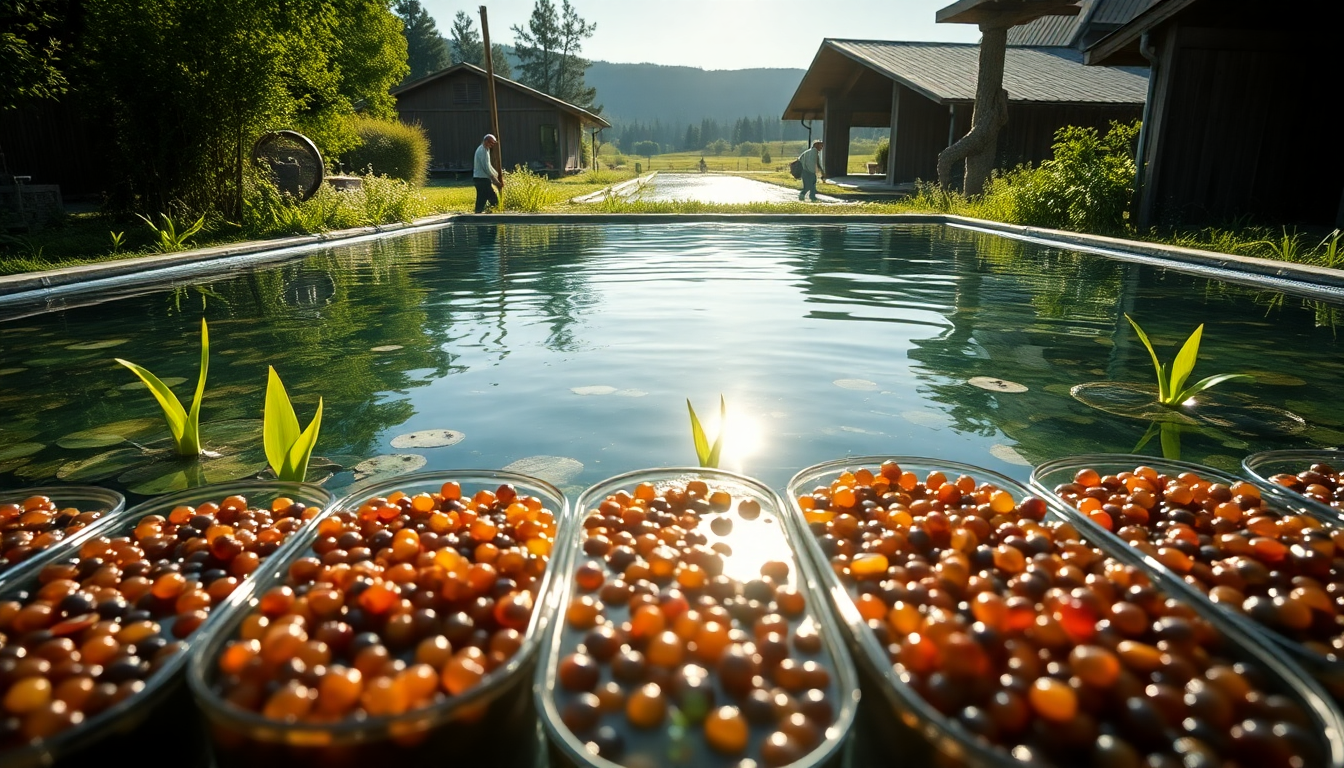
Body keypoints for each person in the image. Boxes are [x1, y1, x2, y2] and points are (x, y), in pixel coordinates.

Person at [473, 134, 504, 213]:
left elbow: (489, 166)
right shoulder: (482, 150)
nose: (492, 145)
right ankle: (493, 214)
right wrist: (495, 180)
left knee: (481, 199)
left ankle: (478, 213)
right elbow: (486, 168)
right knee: (493, 200)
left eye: (493, 143)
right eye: (491, 143)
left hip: (480, 179)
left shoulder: (486, 150)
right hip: (482, 179)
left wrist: (496, 174)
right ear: (486, 141)